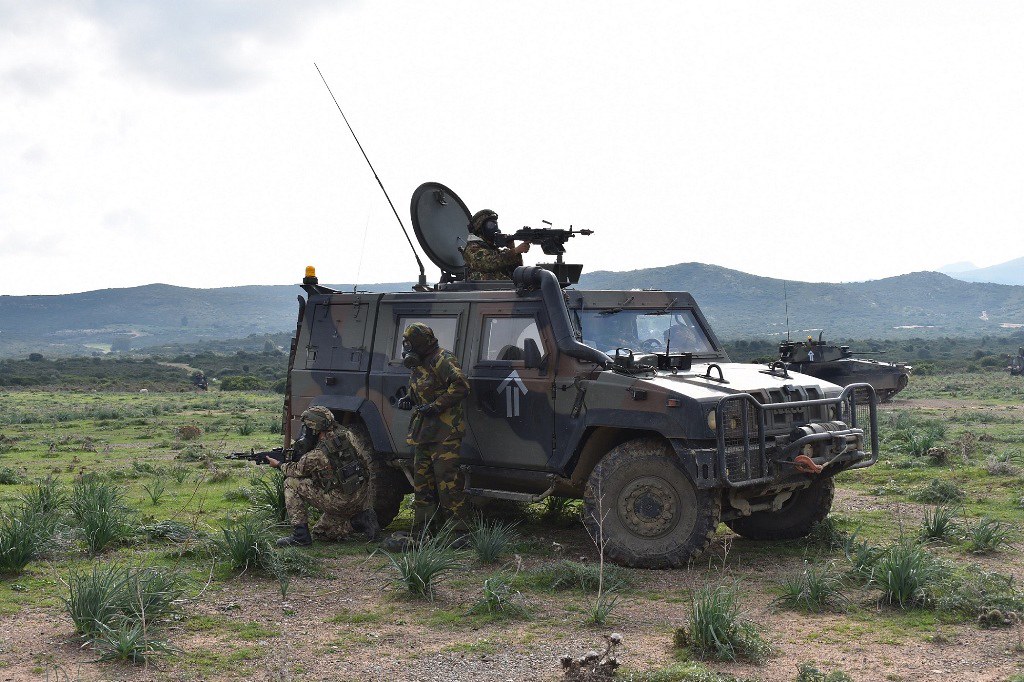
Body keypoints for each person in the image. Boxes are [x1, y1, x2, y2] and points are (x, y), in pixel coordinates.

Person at [395, 323, 471, 537]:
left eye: (410, 342)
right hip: (424, 432)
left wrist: (436, 405)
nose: (407, 347)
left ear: (420, 342)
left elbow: (462, 386)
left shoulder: (442, 359)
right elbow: (420, 388)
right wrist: (408, 399)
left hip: (445, 432)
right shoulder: (418, 363)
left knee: (447, 481)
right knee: (422, 481)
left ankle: (458, 533)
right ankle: (424, 530)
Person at [268, 406, 379, 547]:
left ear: (315, 429)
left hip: (341, 502)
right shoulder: (348, 435)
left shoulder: (317, 454)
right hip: (360, 497)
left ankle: (300, 536)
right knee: (322, 533)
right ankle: (359, 521)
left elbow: (295, 470)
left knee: (290, 483)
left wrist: (278, 464)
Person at [462, 209, 531, 280]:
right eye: (491, 225)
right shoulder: (473, 248)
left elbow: (516, 270)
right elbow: (489, 263)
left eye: (496, 224)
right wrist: (514, 251)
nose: (495, 228)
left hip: (503, 288)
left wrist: (513, 250)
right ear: (480, 228)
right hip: (482, 288)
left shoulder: (494, 251)